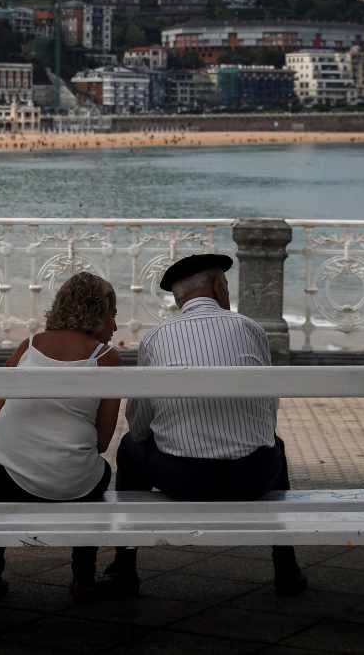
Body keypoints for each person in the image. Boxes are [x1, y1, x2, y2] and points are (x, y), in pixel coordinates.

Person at [98, 253, 308, 598]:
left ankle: (125, 564)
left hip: (184, 480)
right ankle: (285, 565)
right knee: (275, 444)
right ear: (218, 287)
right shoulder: (251, 329)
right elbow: (268, 411)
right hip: (251, 477)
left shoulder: (155, 339)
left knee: (128, 447)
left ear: (180, 299)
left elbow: (138, 426)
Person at [0, 272, 121, 604]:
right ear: (96, 314)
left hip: (5, 479)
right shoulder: (106, 359)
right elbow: (101, 443)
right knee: (96, 472)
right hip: (72, 486)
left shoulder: (28, 347)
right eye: (112, 315)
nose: (114, 326)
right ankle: (83, 580)